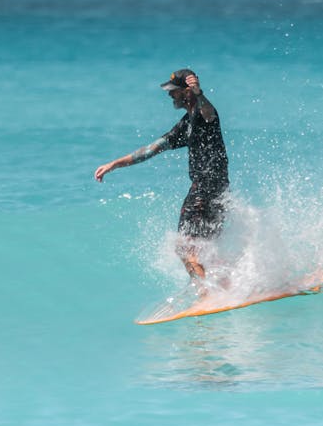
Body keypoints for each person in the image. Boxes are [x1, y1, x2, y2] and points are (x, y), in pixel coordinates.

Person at [95, 69, 229, 280]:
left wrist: (199, 93)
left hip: (204, 187)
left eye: (174, 91)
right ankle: (230, 286)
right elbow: (151, 149)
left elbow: (209, 112)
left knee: (184, 248)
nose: (170, 95)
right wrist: (115, 164)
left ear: (187, 91)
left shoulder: (205, 115)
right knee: (206, 248)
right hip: (220, 188)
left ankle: (205, 293)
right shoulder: (186, 124)